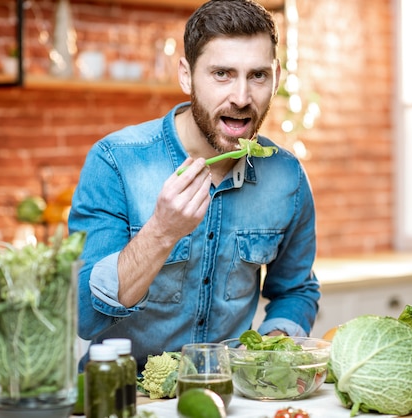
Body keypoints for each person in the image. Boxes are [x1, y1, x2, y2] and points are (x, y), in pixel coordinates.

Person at [69, 0, 320, 370]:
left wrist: (269, 350)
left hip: (227, 396)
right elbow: (85, 317)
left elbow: (295, 290)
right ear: (186, 75)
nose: (241, 97)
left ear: (276, 77)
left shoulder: (286, 176)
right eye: (222, 74)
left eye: (257, 75)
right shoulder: (116, 161)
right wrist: (161, 232)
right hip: (124, 397)